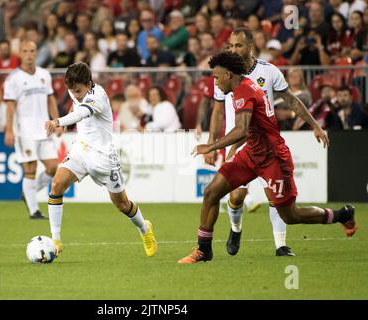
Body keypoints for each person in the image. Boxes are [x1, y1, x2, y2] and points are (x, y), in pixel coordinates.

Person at [178, 51, 357, 264]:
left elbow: (242, 129)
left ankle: (342, 215)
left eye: (216, 77)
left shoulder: (244, 91)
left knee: (290, 216)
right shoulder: (238, 88)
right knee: (211, 192)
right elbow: (248, 130)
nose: (214, 83)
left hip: (273, 158)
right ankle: (204, 250)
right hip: (251, 153)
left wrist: (211, 146)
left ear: (228, 74)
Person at [44, 62, 157, 258]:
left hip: (103, 157)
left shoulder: (98, 97)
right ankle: (55, 240)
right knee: (57, 184)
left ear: (88, 84)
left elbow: (81, 113)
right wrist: (68, 118)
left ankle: (144, 229)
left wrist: (58, 122)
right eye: (72, 90)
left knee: (122, 204)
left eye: (78, 91)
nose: (76, 94)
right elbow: (75, 106)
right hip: (81, 149)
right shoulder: (75, 90)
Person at [3, 40, 63, 219]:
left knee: (53, 168)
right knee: (30, 168)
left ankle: (28, 193)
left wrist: (57, 121)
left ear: (36, 53)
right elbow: (10, 106)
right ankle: (34, 210)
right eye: (25, 51)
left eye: (32, 51)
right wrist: (9, 130)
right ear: (20, 54)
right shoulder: (13, 78)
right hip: (24, 131)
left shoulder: (44, 74)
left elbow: (50, 99)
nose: (29, 54)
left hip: (44, 130)